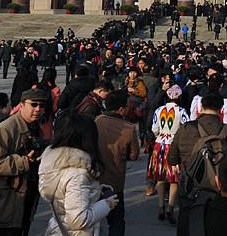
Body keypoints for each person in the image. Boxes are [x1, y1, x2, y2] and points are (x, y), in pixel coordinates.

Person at [0, 87, 50, 236]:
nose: (38, 109)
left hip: (21, 200)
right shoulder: (5, 129)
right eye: (33, 104)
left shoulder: (34, 127)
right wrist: (24, 161)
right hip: (2, 202)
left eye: (41, 106)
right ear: (21, 105)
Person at [38, 113, 119, 236]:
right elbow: (77, 220)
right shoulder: (77, 174)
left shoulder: (56, 164)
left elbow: (65, 196)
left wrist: (95, 191)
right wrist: (106, 204)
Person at [95, 90, 140, 236]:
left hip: (94, 180)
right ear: (121, 109)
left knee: (92, 221)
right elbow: (134, 155)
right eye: (127, 106)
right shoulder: (128, 128)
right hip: (115, 182)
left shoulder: (95, 122)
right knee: (116, 222)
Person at [147, 84, 189, 224]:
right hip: (174, 145)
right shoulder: (182, 111)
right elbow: (186, 128)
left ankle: (161, 208)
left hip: (160, 144)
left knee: (160, 178)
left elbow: (154, 129)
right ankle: (170, 207)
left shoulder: (159, 110)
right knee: (174, 179)